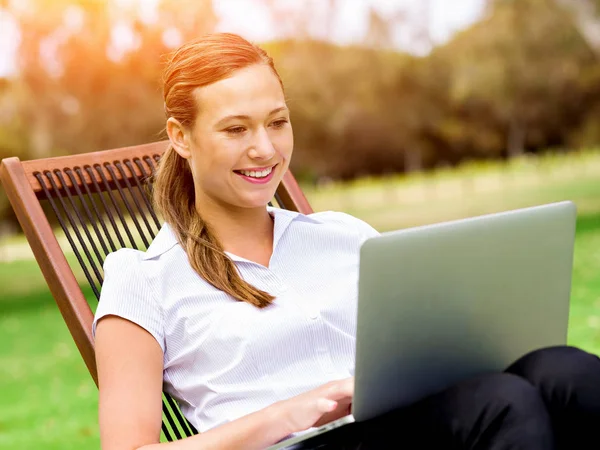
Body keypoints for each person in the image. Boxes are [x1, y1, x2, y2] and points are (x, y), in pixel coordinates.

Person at [93, 32, 600, 450]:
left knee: (563, 370)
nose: (264, 149)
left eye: (277, 122)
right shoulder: (143, 276)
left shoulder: (343, 236)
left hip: (398, 424)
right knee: (500, 403)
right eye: (235, 129)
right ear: (180, 137)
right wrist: (285, 413)